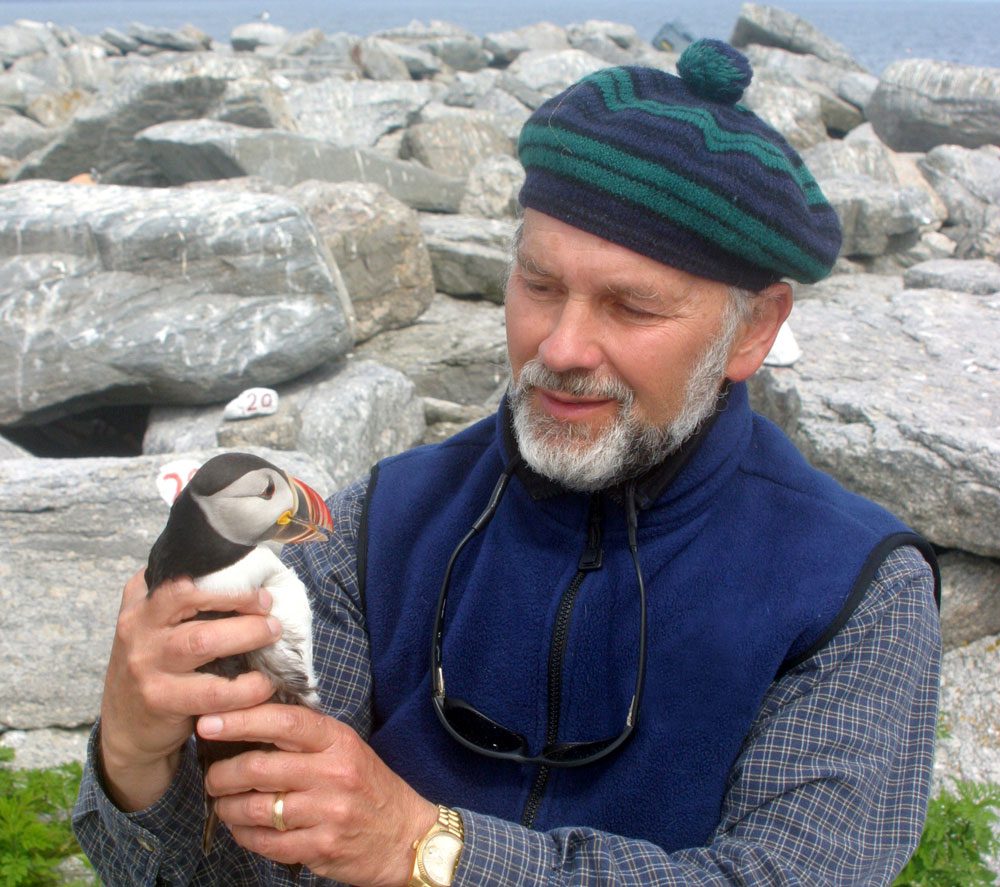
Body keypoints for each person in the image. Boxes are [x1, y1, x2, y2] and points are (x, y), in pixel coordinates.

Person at [74, 40, 941, 886]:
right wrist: (134, 761)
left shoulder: (853, 592)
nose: (561, 346)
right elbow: (257, 866)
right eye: (537, 283)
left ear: (753, 329)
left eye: (631, 306)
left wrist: (428, 848)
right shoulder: (383, 523)